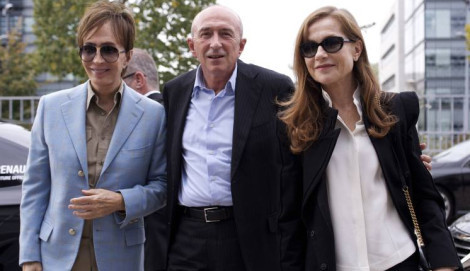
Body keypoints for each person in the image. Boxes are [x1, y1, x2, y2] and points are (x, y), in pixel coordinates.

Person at [279, 6, 461, 271]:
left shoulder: (395, 110)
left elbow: (423, 195)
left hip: (400, 261)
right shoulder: (295, 126)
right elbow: (290, 218)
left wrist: (445, 264)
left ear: (356, 49)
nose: (319, 54)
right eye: (309, 47)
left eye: (331, 43)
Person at [19, 1, 167, 271]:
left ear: (127, 55)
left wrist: (122, 200)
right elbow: (35, 189)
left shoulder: (153, 115)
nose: (97, 60)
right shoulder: (51, 107)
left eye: (109, 50)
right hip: (56, 257)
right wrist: (29, 257)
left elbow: (162, 186)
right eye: (89, 49)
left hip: (120, 258)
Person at [163, 5, 304, 271]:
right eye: (206, 34)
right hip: (187, 239)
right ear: (192, 46)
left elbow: (291, 173)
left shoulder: (275, 88)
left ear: (241, 45)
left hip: (251, 238)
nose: (215, 43)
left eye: (225, 34)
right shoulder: (174, 92)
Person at [123, 47, 168, 271]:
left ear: (138, 80)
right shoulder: (174, 109)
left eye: (119, 80)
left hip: (151, 232)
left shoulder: (150, 116)